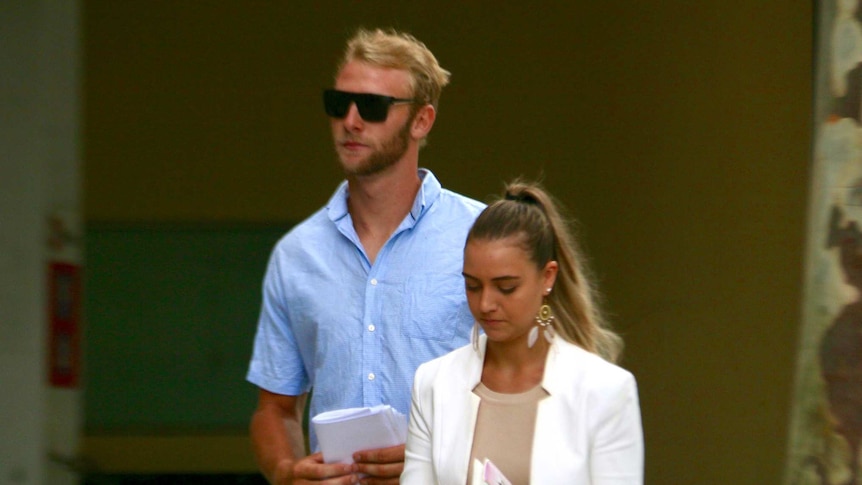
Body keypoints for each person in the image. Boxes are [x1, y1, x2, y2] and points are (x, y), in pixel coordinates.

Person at [246, 28, 484, 484]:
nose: (351, 121)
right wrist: (286, 471)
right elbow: (274, 409)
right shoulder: (297, 255)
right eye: (339, 103)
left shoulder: (481, 238)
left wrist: (434, 458)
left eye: (372, 108)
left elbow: (529, 389)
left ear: (422, 121)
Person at [402, 180, 644, 484]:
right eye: (472, 285)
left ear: (547, 277)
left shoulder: (604, 390)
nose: (486, 303)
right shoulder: (433, 383)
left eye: (506, 287)